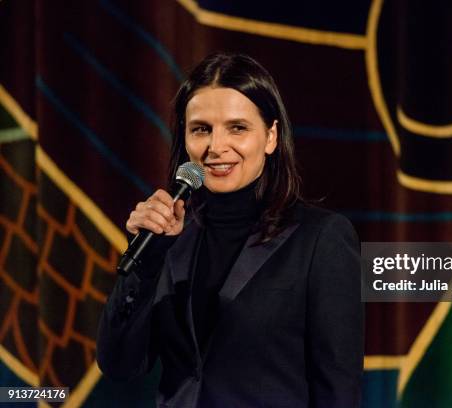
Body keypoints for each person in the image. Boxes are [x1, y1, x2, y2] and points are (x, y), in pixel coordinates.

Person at [96, 52, 363, 407]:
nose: (216, 147)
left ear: (270, 137)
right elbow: (119, 365)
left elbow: (338, 390)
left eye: (237, 128)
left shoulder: (321, 238)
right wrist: (145, 263)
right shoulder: (170, 240)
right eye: (201, 129)